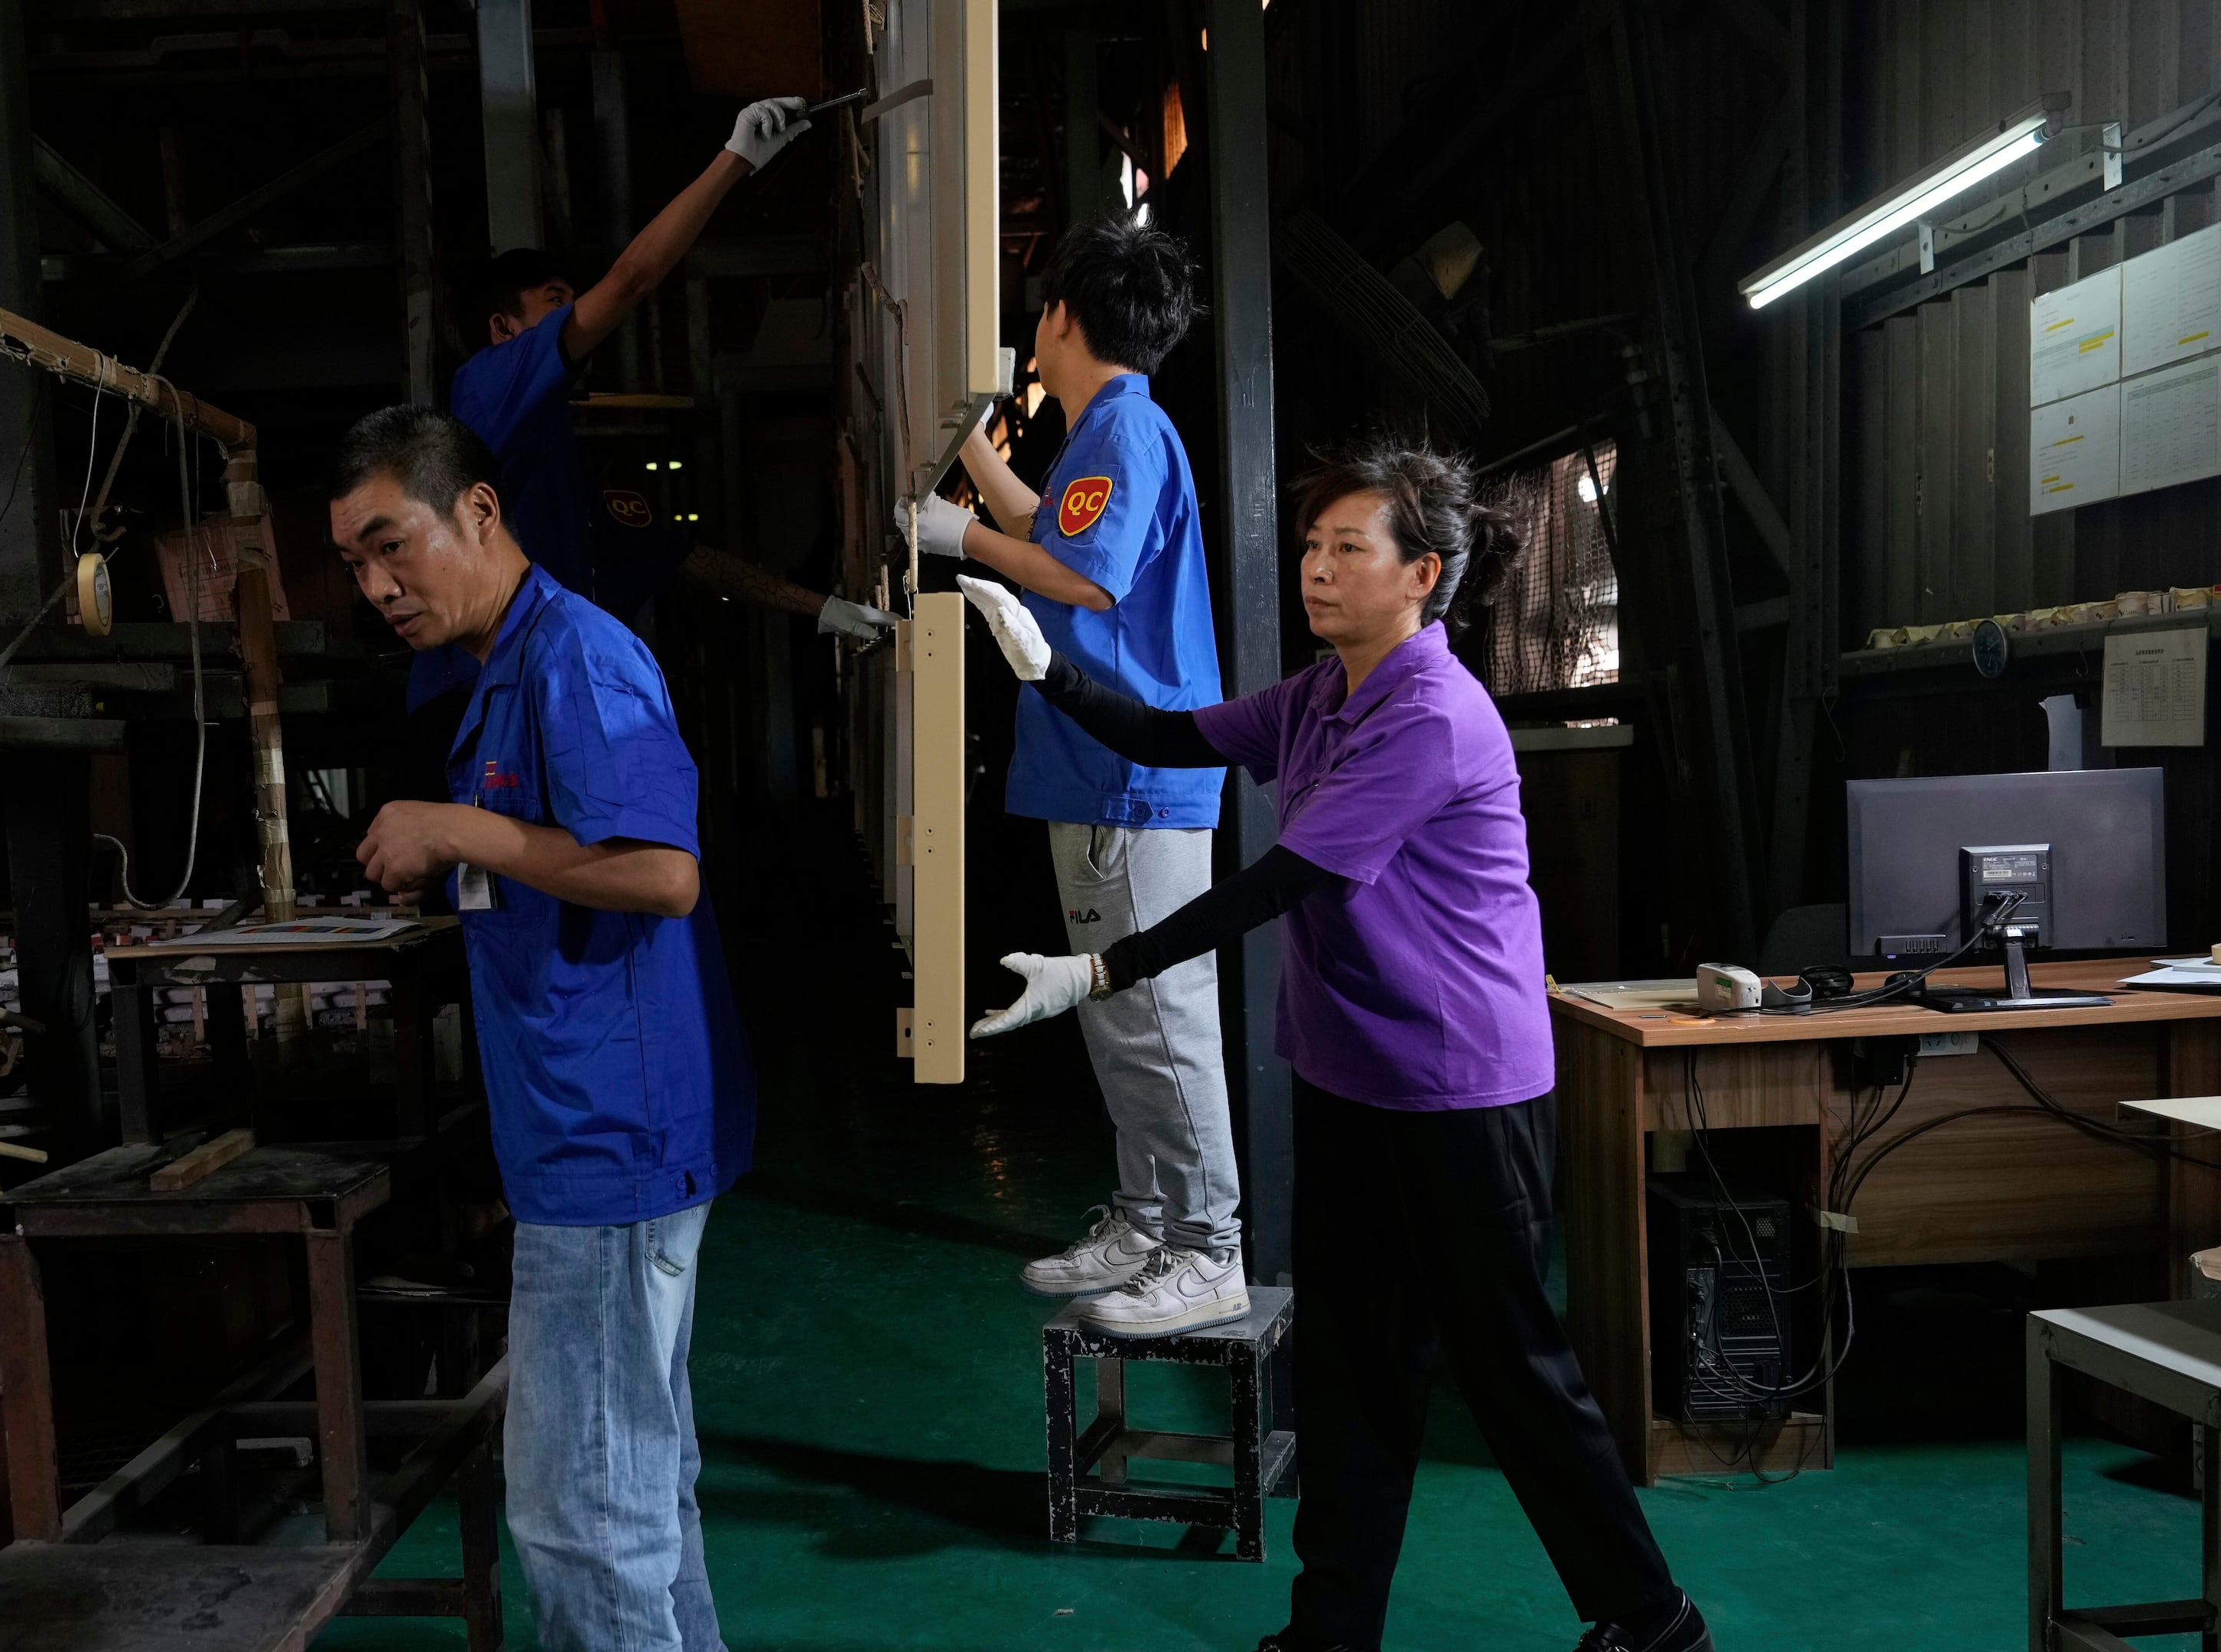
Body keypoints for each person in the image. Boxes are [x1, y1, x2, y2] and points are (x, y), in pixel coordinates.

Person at [956, 442, 1709, 1652]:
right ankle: (1332, 1633)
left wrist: (1101, 970)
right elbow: (1165, 738)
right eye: (1311, 546)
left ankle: (1654, 1622)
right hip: (1352, 1078)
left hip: (1460, 1089)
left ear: (1424, 575)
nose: (1316, 568)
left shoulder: (1430, 713)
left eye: (1347, 549)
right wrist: (1046, 667)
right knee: (1352, 1367)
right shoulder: (1323, 692)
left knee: (1512, 1371)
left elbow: (1280, 881)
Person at [334, 405, 752, 1652]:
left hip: (611, 1148)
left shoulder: (576, 657)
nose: (377, 588)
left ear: (479, 511)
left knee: (580, 1516)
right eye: (355, 566)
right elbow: (558, 862)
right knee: (637, 1494)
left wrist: (458, 832)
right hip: (589, 1137)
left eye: (391, 546)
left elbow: (662, 871)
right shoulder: (505, 669)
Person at [899, 215, 1241, 1338]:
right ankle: (1149, 1220)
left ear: (1060, 316)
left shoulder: (1123, 432)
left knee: (1157, 1013)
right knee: (1119, 1015)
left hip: (1129, 777)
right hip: (1101, 773)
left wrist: (954, 536)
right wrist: (975, 464)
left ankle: (1209, 1248)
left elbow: (1078, 580)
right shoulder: (1109, 429)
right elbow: (1055, 531)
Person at [447, 96, 893, 661]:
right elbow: (632, 279)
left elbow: (684, 558)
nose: (579, 312)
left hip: (535, 683)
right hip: (480, 691)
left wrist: (823, 609)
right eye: (556, 302)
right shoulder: (487, 386)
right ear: (503, 329)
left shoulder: (552, 457)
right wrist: (735, 160)